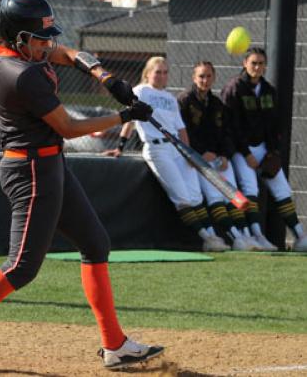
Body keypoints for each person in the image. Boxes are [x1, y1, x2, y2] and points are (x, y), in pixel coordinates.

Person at [0, 0, 164, 373]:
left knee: (95, 242)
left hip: (49, 165)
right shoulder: (19, 75)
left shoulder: (11, 48)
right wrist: (124, 116)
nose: (46, 44)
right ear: (19, 38)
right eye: (38, 39)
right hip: (31, 171)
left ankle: (115, 345)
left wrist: (105, 76)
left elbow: (64, 52)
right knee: (21, 267)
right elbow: (68, 127)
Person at [105, 56, 230, 252]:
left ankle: (213, 236)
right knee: (182, 197)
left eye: (165, 72)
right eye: (158, 72)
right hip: (157, 148)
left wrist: (188, 153)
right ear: (148, 73)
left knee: (195, 196)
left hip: (177, 149)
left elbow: (181, 129)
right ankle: (208, 239)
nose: (162, 76)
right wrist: (120, 146)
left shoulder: (170, 98)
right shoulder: (140, 91)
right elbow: (129, 120)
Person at [221, 47, 307, 252]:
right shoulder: (234, 88)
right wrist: (246, 153)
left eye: (261, 63)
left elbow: (275, 125)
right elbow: (230, 125)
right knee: (250, 188)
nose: (257, 67)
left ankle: (300, 236)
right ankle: (257, 236)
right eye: (253, 63)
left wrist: (272, 151)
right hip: (241, 150)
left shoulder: (268, 90)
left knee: (282, 188)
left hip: (263, 148)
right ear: (245, 64)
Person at [177, 62, 262, 251]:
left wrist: (224, 155)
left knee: (232, 194)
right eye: (201, 76)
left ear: (214, 78)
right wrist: (200, 153)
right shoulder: (184, 100)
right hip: (197, 159)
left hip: (218, 157)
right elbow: (184, 132)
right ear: (193, 78)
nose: (205, 80)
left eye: (208, 76)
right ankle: (237, 238)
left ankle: (249, 236)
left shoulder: (216, 104)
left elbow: (224, 133)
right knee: (215, 195)